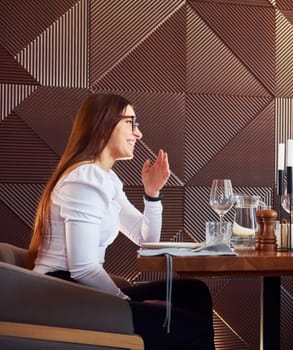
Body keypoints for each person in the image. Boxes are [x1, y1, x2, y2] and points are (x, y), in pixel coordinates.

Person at [27, 93, 215, 350]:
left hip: (80, 290)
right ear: (104, 124)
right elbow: (83, 269)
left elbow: (146, 240)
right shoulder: (85, 179)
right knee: (191, 327)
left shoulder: (105, 179)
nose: (138, 134)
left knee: (194, 293)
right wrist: (126, 301)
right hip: (63, 296)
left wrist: (152, 194)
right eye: (131, 123)